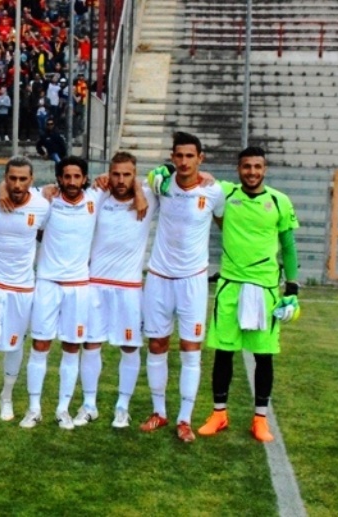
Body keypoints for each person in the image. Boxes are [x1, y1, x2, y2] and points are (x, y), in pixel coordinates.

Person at [198, 146, 300, 443]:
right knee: (223, 352)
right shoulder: (226, 194)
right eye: (246, 167)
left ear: (264, 169)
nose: (252, 172)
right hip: (230, 285)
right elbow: (193, 176)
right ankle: (219, 414)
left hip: (265, 289)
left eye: (257, 167)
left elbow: (289, 246)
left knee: (263, 355)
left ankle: (260, 420)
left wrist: (292, 286)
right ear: (238, 169)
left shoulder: (279, 201)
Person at [139, 132, 226, 442]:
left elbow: (225, 225)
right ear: (172, 157)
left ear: (200, 158)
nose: (184, 161)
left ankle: (184, 419)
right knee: (157, 344)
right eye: (179, 155)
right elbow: (127, 187)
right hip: (159, 277)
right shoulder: (161, 184)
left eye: (190, 156)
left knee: (190, 349)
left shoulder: (214, 191)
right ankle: (159, 412)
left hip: (193, 281)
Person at [78, 151, 156, 429]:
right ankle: (89, 405)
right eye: (116, 174)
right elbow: (63, 191)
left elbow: (175, 175)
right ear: (108, 174)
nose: (121, 180)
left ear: (135, 175)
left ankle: (122, 407)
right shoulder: (100, 195)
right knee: (91, 344)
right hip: (96, 283)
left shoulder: (150, 197)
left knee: (130, 346)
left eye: (127, 174)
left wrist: (140, 190)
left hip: (129, 287)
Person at [20, 156, 98, 430]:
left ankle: (63, 409)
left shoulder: (95, 199)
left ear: (85, 178)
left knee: (71, 347)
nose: (72, 182)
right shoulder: (46, 200)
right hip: (48, 283)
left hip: (78, 286)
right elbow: (14, 190)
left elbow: (134, 182)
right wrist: (41, 191)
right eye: (67, 176)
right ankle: (34, 408)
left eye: (77, 177)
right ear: (59, 178)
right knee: (40, 345)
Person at [0, 156, 50, 426]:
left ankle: (6, 396)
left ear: (32, 180)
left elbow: (44, 232)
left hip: (22, 286)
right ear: (5, 179)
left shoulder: (42, 206)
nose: (17, 184)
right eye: (12, 179)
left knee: (14, 345)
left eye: (23, 179)